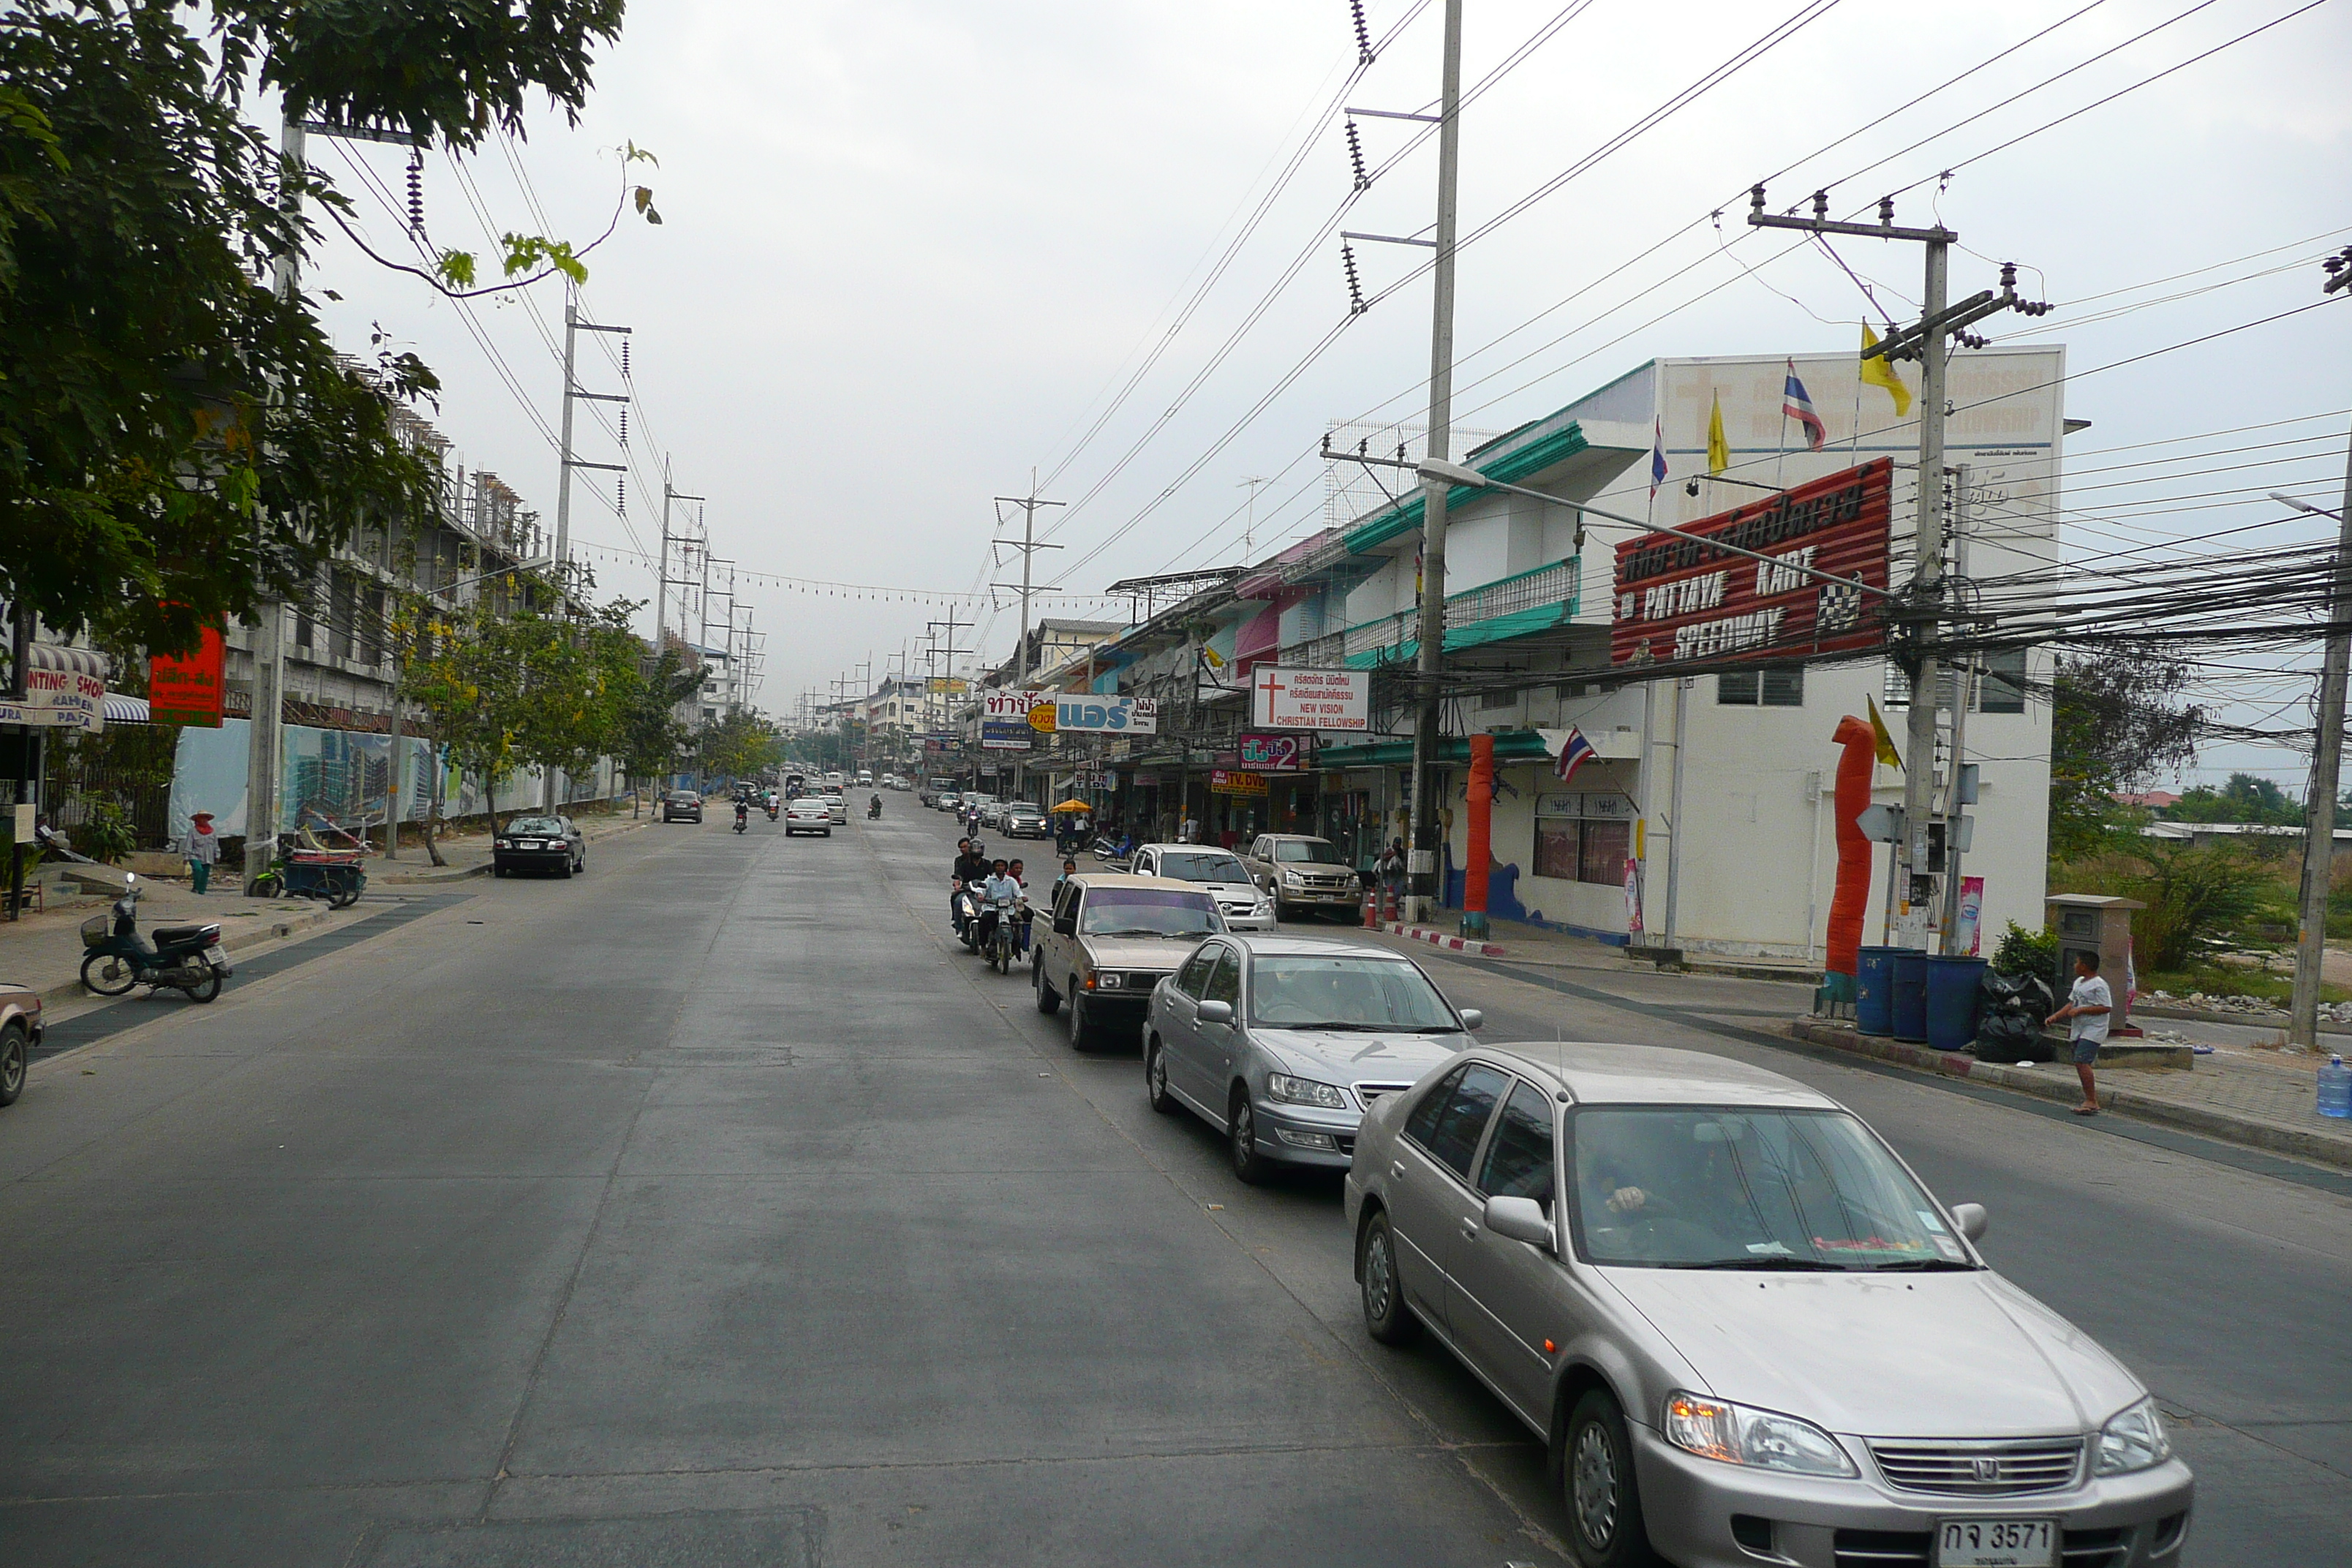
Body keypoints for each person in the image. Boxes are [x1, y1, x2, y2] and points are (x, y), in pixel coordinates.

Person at [2046, 951, 2112, 1115]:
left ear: (2085, 966)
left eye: (2077, 962)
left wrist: (2082, 1011)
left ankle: (2091, 1100)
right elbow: (2072, 1003)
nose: (2074, 966)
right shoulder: (2079, 983)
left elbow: (2106, 1007)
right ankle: (2089, 1098)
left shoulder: (2099, 984)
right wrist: (2056, 1016)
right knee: (2079, 1062)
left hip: (2094, 1029)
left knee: (2082, 1061)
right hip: (2079, 1029)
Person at [951, 837, 991, 929]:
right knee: (957, 900)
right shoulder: (964, 864)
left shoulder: (987, 864)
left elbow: (993, 876)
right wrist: (957, 886)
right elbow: (958, 876)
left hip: (983, 891)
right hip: (967, 890)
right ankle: (958, 926)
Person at [181, 810, 220, 894]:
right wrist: (186, 857)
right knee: (198, 869)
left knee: (205, 875)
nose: (203, 820)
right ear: (197, 820)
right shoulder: (192, 831)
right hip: (195, 855)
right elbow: (189, 844)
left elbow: (215, 844)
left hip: (208, 856)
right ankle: (196, 887)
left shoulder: (212, 832)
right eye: (201, 818)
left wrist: (217, 855)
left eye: (205, 818)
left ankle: (201, 891)